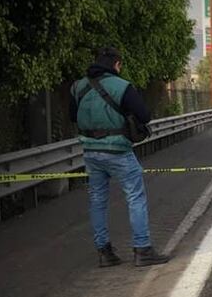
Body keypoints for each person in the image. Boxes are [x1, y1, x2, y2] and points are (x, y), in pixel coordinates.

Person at [69, 47, 170, 267]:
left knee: (97, 200)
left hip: (90, 152)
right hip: (118, 151)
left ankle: (104, 252)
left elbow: (72, 116)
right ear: (116, 64)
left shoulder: (78, 87)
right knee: (135, 197)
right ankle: (142, 249)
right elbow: (144, 115)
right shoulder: (121, 86)